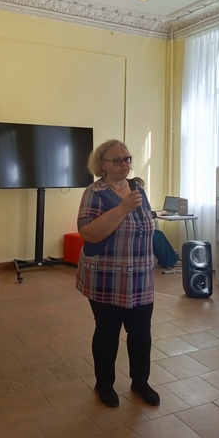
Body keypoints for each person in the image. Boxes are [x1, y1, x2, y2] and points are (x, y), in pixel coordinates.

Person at [76, 139, 160, 408]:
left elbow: (146, 223)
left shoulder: (137, 188)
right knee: (107, 332)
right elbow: (88, 232)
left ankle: (140, 382)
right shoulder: (95, 192)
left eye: (127, 159)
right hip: (107, 277)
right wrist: (122, 209)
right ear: (102, 165)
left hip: (140, 277)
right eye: (117, 160)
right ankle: (104, 384)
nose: (124, 164)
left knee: (141, 332)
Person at [133, 177, 179, 269]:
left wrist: (156, 212)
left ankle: (167, 260)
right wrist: (158, 213)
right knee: (157, 235)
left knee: (156, 234)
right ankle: (170, 262)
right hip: (137, 232)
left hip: (136, 229)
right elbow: (143, 215)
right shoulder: (135, 199)